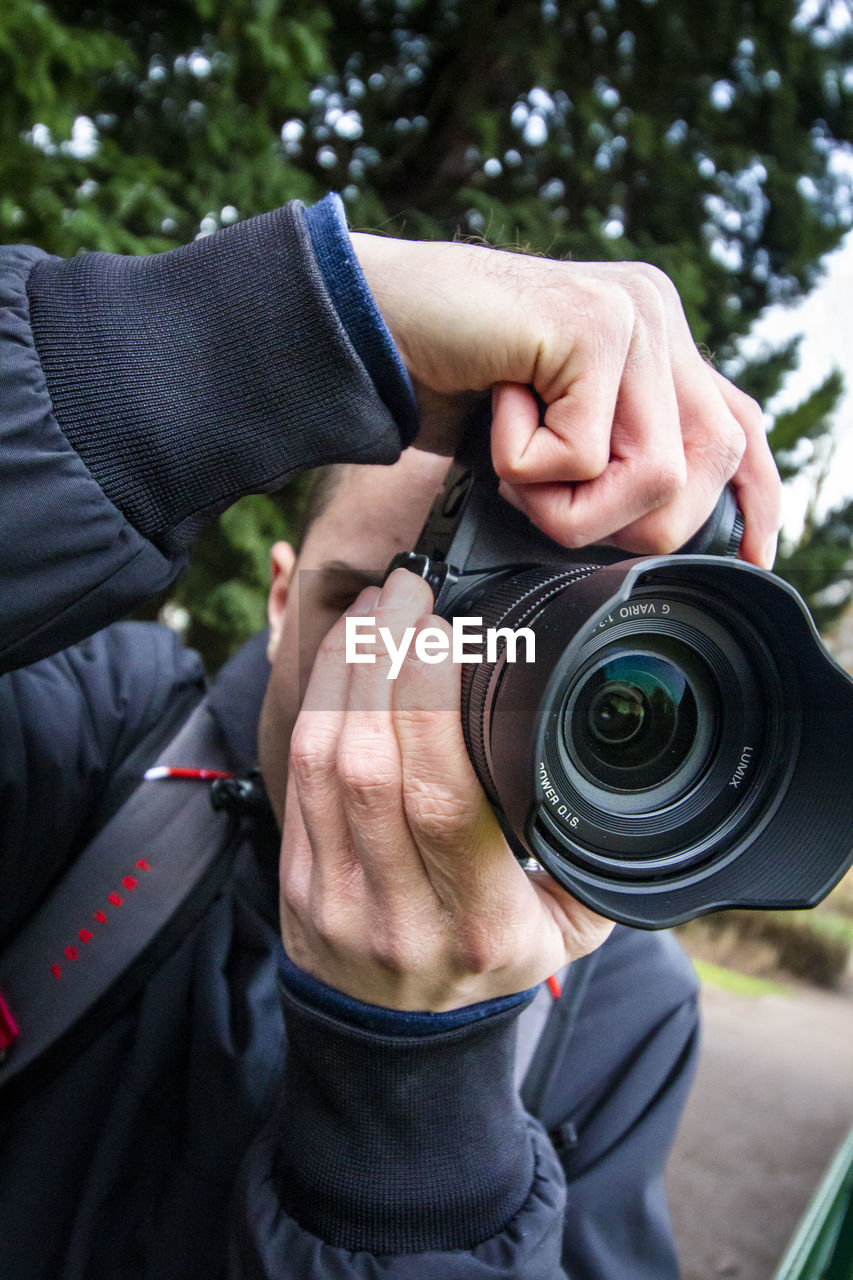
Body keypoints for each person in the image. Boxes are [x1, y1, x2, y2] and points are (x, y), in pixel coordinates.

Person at [0, 193, 782, 1278]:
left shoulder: (623, 1004)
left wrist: (419, 1108)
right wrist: (251, 336)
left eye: (524, 631)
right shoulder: (98, 737)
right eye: (383, 606)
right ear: (280, 599)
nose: (433, 699)